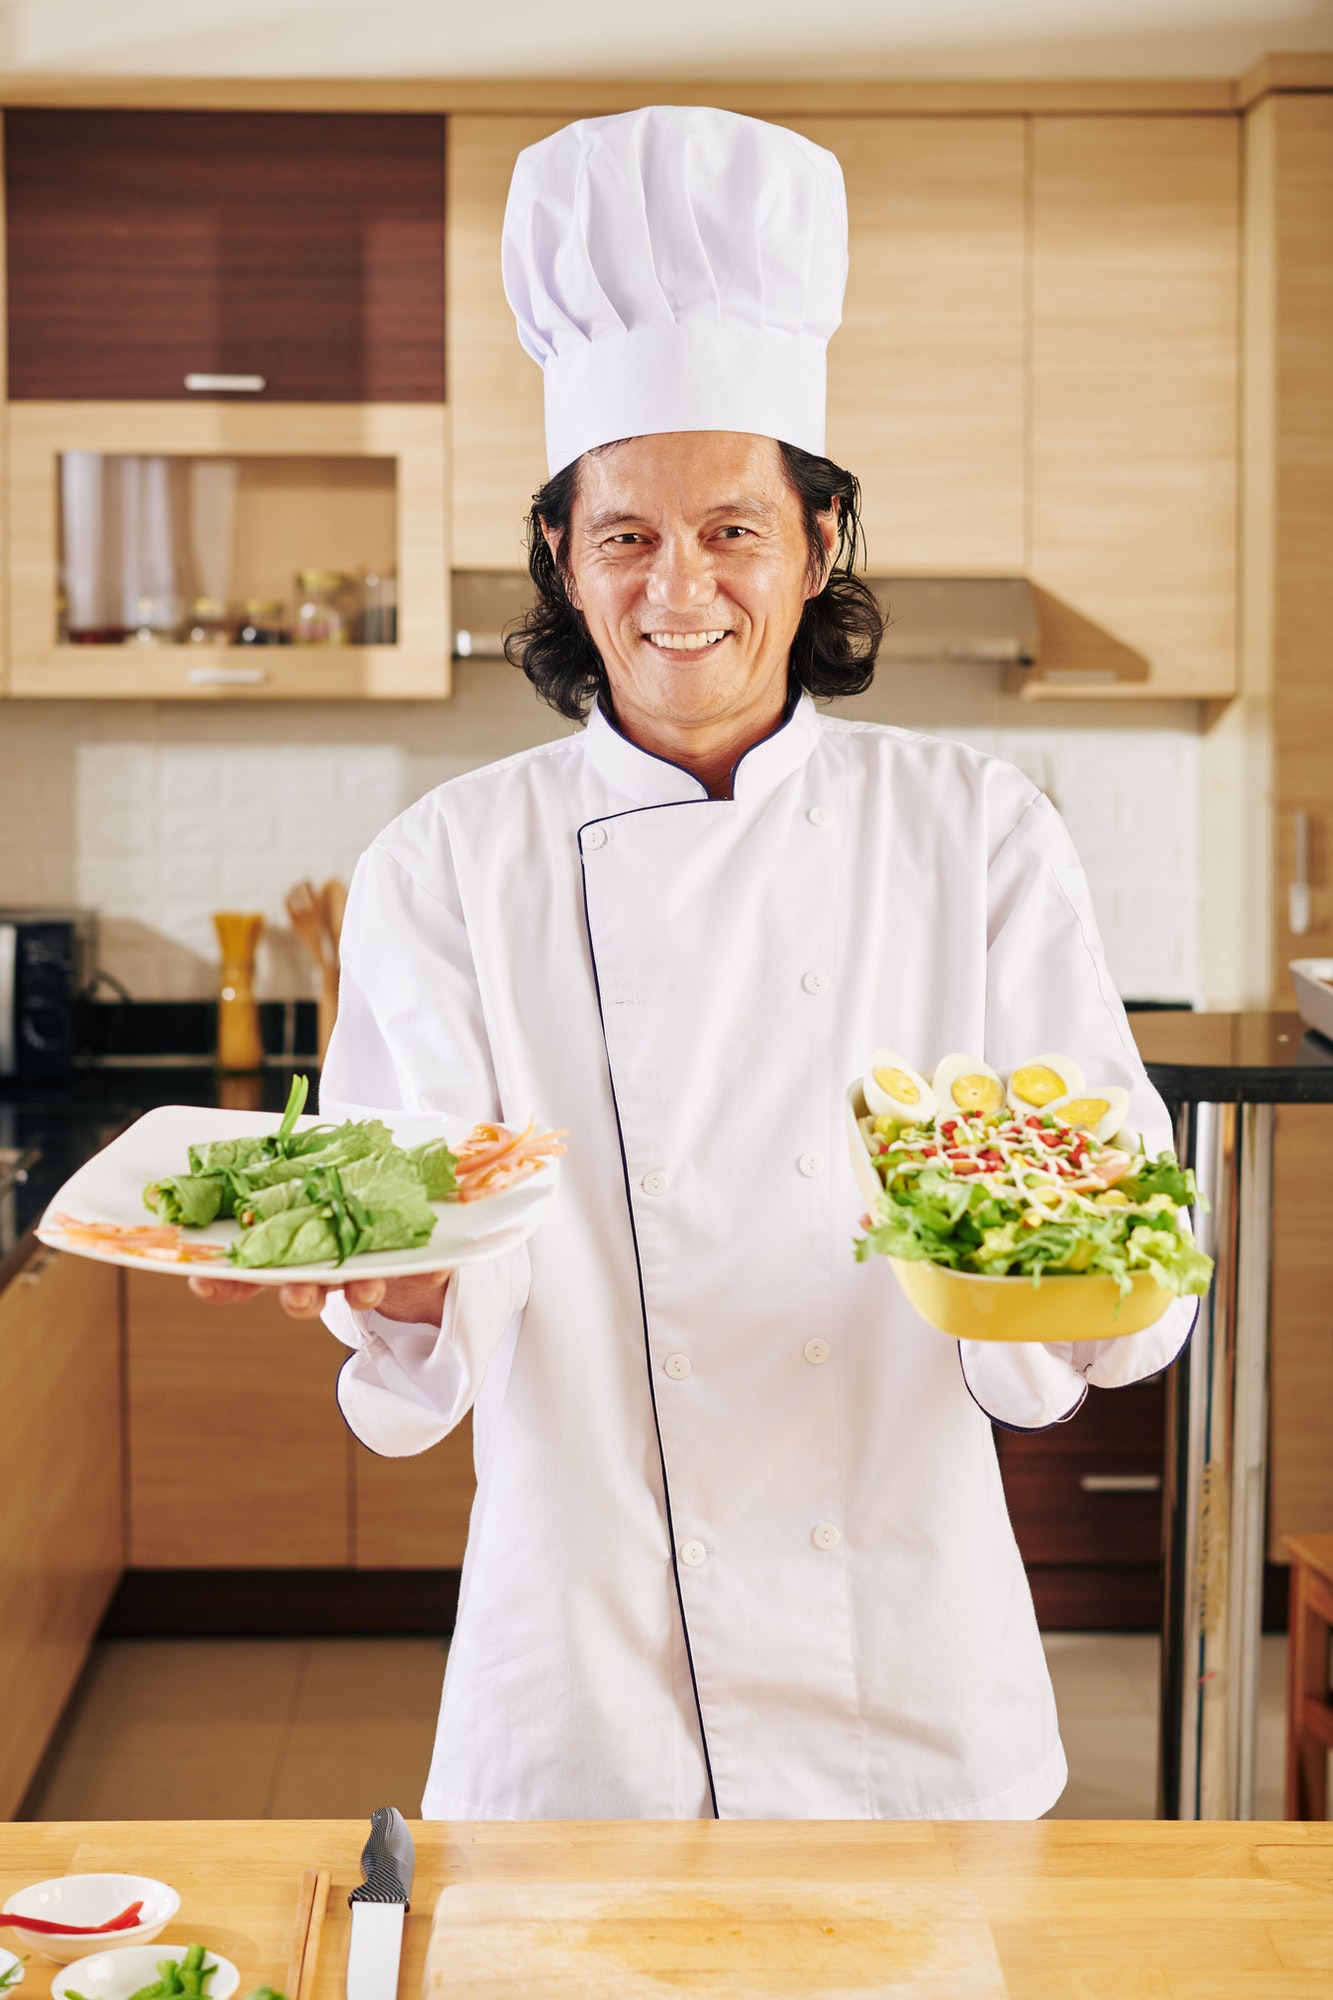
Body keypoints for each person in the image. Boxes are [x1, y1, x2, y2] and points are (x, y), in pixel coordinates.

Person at [195, 106, 1194, 1821]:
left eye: (732, 529)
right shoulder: (447, 863)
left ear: (816, 548)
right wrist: (387, 1282)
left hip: (907, 1661)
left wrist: (1062, 1273)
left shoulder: (974, 831)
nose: (681, 586)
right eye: (625, 536)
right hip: (581, 1678)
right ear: (564, 569)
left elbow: (1112, 1229)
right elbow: (420, 1243)